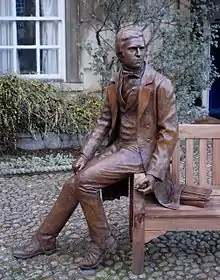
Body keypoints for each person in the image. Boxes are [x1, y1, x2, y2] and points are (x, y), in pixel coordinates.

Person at [12, 26, 180, 270]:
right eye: (133, 49)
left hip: (141, 152)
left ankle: (101, 241)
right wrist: (84, 154)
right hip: (120, 146)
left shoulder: (161, 85)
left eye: (142, 48)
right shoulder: (115, 82)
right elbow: (103, 122)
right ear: (120, 54)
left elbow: (169, 133)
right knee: (73, 183)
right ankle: (44, 239)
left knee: (85, 181)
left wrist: (154, 173)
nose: (140, 53)